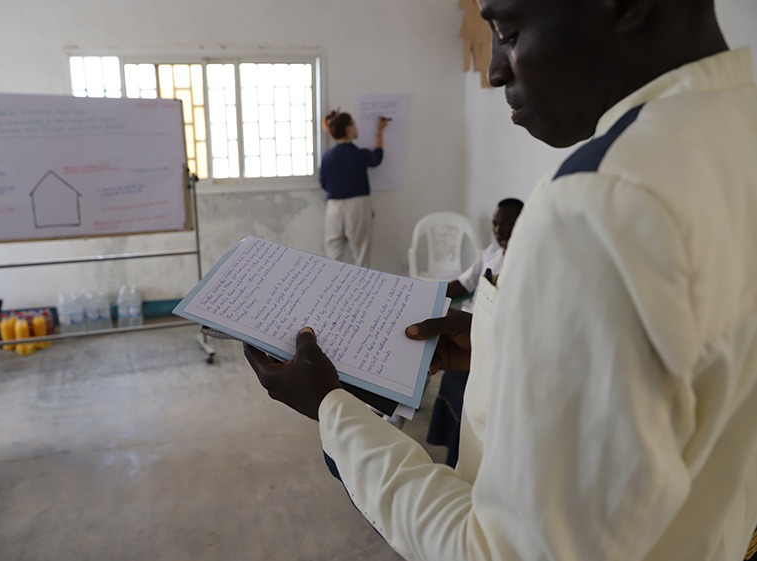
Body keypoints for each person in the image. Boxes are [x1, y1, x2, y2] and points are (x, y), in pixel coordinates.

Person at [244, 1, 757, 560]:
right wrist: (500, 340)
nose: (493, 70)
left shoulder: (595, 205)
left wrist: (332, 408)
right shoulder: (736, 123)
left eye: (509, 32)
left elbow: (506, 552)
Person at [427, 197, 523, 467]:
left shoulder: (524, 259)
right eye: (496, 223)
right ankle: (397, 411)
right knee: (427, 342)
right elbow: (463, 283)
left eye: (508, 224)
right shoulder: (491, 252)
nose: (499, 230)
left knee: (452, 372)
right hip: (471, 321)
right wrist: (427, 293)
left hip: (491, 331)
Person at [320, 110, 388, 268]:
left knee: (332, 256)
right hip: (358, 204)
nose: (357, 128)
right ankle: (363, 292)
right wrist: (379, 131)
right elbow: (377, 158)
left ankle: (331, 291)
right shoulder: (358, 154)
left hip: (333, 207)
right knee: (361, 255)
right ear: (349, 128)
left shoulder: (327, 156)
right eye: (354, 124)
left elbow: (324, 183)